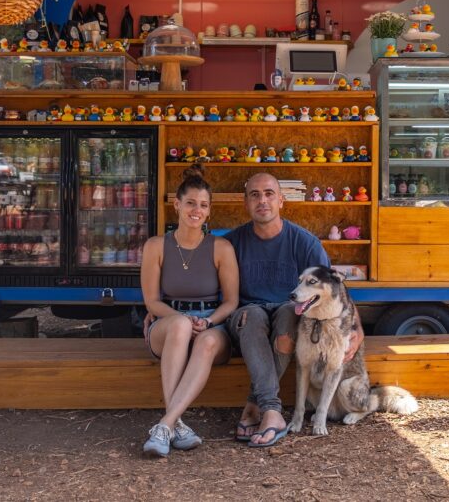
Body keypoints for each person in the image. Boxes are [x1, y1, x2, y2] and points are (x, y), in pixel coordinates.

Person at [225, 172, 364, 447]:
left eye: (268, 194)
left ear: (281, 201)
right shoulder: (231, 243)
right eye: (254, 194)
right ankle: (269, 407)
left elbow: (334, 290)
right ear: (245, 203)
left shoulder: (305, 243)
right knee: (252, 315)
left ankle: (258, 407)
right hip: (245, 317)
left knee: (291, 312)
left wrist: (357, 330)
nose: (262, 200)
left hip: (290, 315)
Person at [139, 164, 239, 457]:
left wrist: (208, 322)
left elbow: (231, 301)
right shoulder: (156, 246)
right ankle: (175, 423)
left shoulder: (221, 248)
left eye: (203, 205)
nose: (197, 210)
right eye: (191, 203)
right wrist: (181, 317)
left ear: (209, 211)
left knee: (206, 342)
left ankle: (167, 424)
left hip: (212, 324)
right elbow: (151, 301)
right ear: (177, 205)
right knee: (181, 326)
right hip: (168, 325)